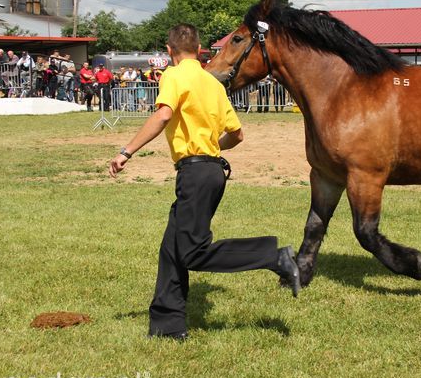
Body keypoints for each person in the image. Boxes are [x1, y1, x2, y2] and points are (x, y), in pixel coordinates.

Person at [108, 23, 300, 341]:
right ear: (199, 50)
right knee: (172, 249)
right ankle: (167, 327)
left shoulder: (174, 75)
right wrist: (211, 148)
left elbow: (163, 115)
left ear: (169, 51)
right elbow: (237, 135)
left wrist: (126, 151)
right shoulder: (213, 84)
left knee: (192, 253)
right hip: (212, 171)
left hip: (195, 173)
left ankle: (273, 257)